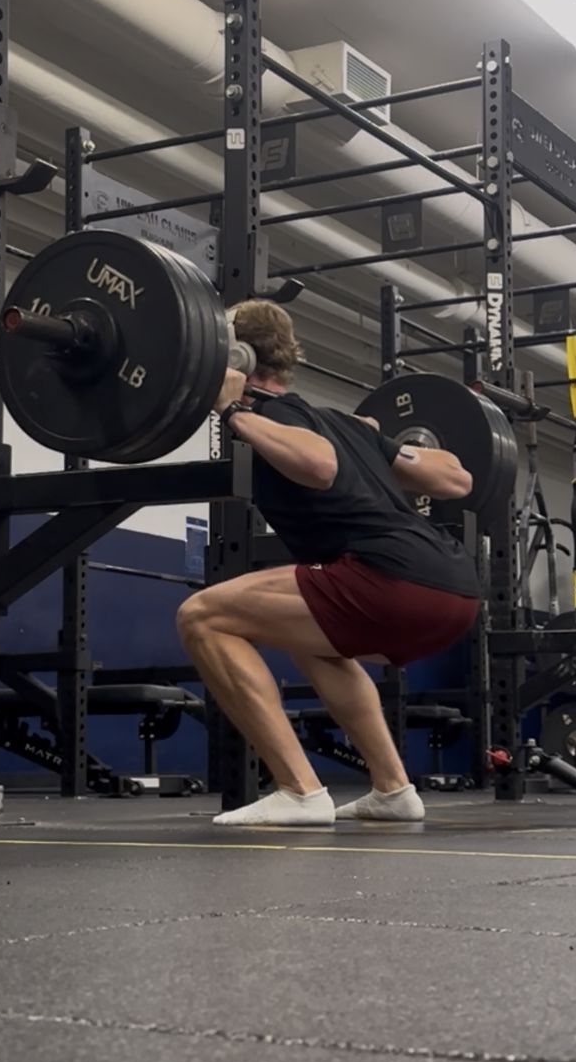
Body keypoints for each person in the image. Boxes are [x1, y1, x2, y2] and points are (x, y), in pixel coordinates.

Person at [177, 300, 481, 828]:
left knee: (201, 617)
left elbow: (319, 465)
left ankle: (299, 791)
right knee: (313, 643)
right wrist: (379, 447)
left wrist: (232, 412)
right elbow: (456, 479)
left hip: (392, 580)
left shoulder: (272, 416)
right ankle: (393, 789)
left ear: (236, 356)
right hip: (455, 590)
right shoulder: (345, 424)